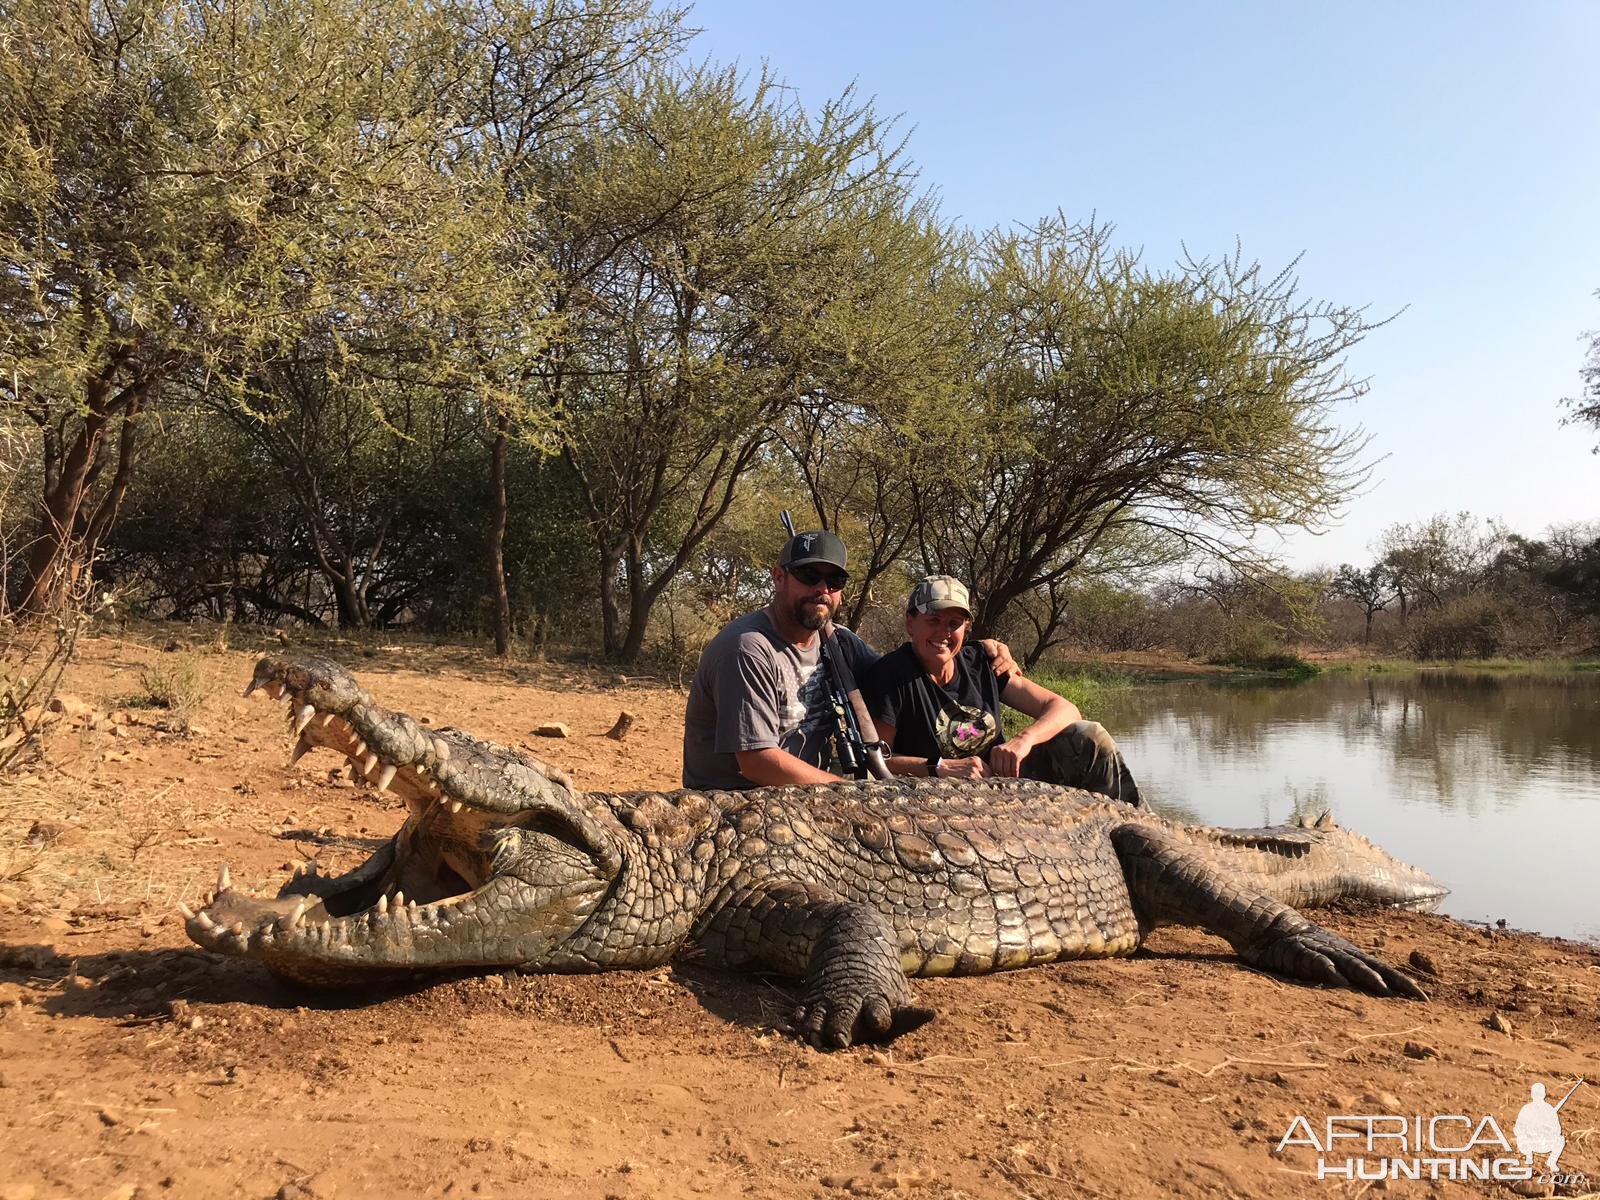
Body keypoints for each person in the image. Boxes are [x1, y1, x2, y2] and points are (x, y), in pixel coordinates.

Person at [682, 532, 1018, 790]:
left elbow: (902, 671)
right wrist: (845, 793)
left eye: (834, 581)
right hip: (736, 800)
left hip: (804, 795)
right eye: (808, 576)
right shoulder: (747, 649)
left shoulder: (840, 642)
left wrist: (977, 651)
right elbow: (757, 762)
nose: (822, 590)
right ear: (779, 578)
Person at [861, 575, 1141, 805]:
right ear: (910, 622)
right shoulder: (891, 675)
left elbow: (1065, 709)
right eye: (933, 620)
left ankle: (1139, 822)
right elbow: (880, 758)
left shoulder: (982, 661)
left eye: (954, 624)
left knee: (1089, 737)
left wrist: (1023, 740)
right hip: (941, 795)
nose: (943, 632)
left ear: (966, 627)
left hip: (1006, 780)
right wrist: (940, 767)